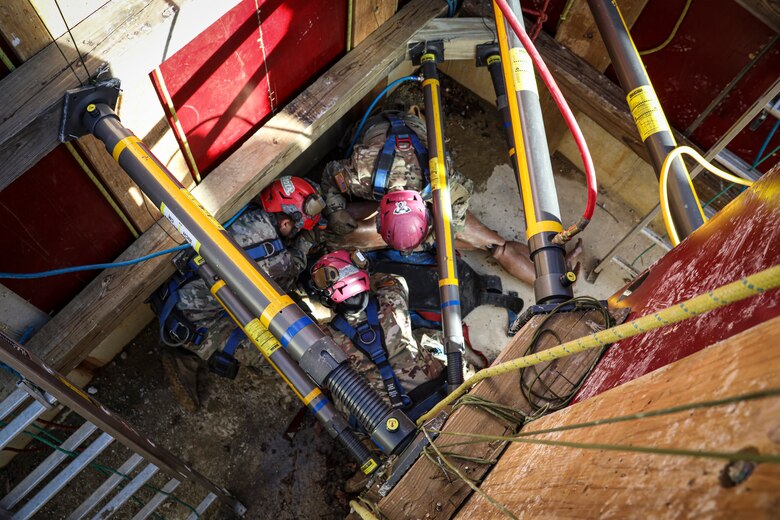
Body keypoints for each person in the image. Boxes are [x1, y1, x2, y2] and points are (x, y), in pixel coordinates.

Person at [319, 108, 581, 284]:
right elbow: (331, 172)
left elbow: (453, 223)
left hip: (420, 170)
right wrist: (335, 209)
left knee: (494, 245)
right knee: (341, 231)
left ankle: (554, 274)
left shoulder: (444, 180)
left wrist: (434, 237)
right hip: (381, 144)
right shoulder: (362, 172)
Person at [153, 176, 325, 410]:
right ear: (286, 223)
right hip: (197, 323)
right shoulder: (280, 261)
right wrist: (306, 242)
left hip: (172, 294)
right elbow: (291, 273)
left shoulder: (244, 212)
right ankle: (183, 356)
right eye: (298, 228)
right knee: (282, 354)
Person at [309, 249, 447, 420]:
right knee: (425, 336)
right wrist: (364, 274)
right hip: (434, 390)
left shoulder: (325, 336)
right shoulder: (391, 299)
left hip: (385, 419)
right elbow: (392, 279)